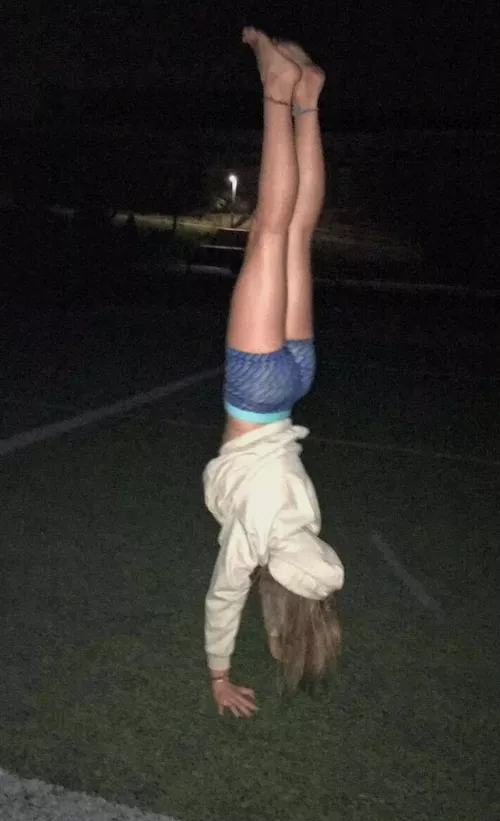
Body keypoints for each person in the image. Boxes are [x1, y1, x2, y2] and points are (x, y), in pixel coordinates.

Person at [203, 27, 345, 717]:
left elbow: (289, 581)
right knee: (268, 228)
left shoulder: (306, 521)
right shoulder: (256, 538)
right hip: (257, 391)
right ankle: (276, 88)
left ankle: (307, 99)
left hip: (295, 383)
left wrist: (287, 619)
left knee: (296, 234)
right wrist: (218, 676)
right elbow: (223, 595)